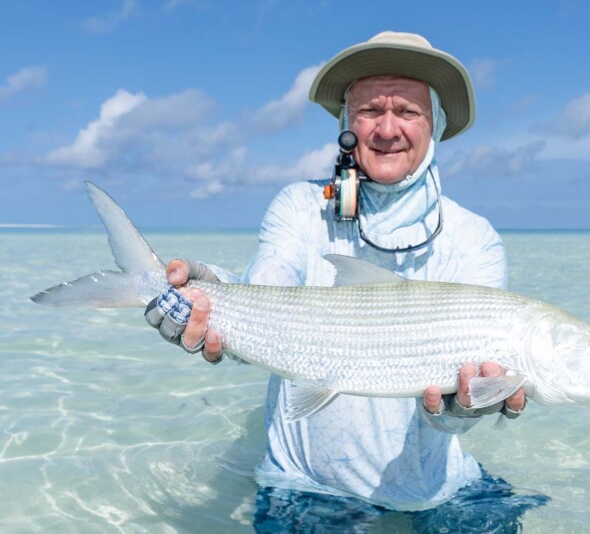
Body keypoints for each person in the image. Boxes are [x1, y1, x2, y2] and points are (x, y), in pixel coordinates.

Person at [146, 32, 531, 518]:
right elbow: (270, 299)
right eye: (370, 110)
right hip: (305, 487)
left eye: (408, 112)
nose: (387, 129)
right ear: (347, 126)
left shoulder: (475, 238)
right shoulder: (301, 207)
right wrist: (208, 292)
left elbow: (462, 402)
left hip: (440, 487)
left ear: (436, 125)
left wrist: (463, 412)